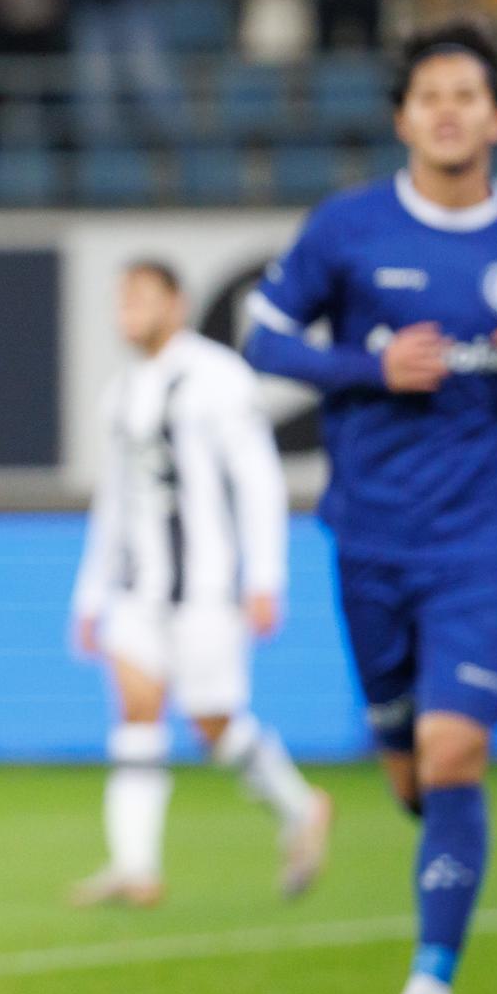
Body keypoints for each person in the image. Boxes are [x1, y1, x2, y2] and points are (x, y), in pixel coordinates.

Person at [245, 20, 497, 994]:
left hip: (488, 541)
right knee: (409, 770)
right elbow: (263, 335)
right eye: (429, 95)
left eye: (467, 94)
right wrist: (369, 367)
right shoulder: (348, 230)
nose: (448, 110)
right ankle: (436, 820)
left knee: (455, 755)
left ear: (496, 115)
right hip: (370, 540)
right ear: (404, 117)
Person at [70, 261, 331, 907]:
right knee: (135, 712)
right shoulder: (122, 390)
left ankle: (301, 806)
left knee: (213, 723)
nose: (127, 307)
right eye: (121, 296)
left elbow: (258, 479)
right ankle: (136, 867)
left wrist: (266, 576)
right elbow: (114, 501)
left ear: (177, 305)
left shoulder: (217, 375)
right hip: (138, 589)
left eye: (142, 295)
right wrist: (89, 593)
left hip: (207, 589)